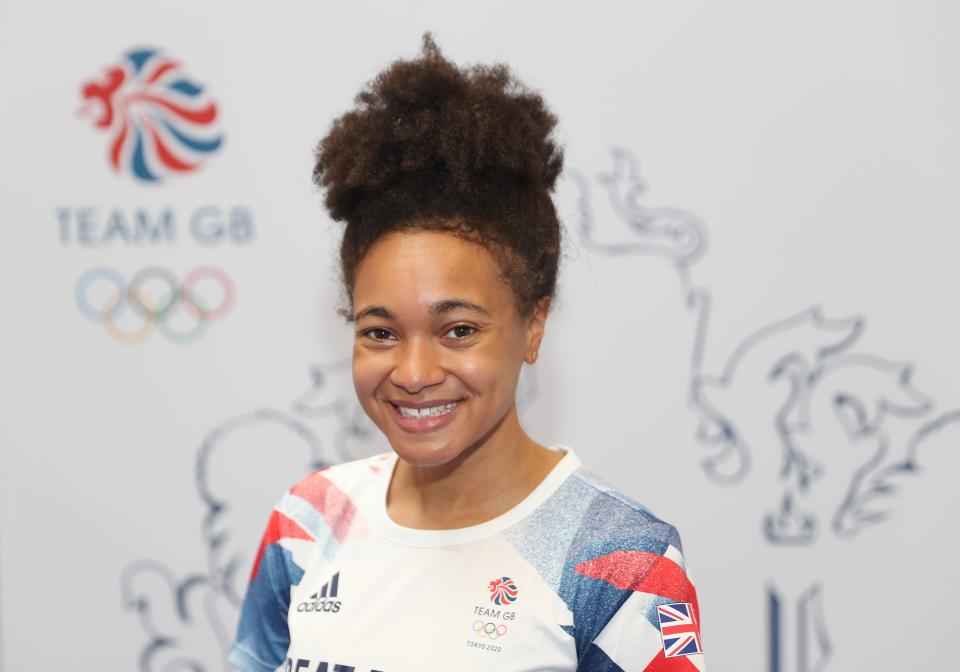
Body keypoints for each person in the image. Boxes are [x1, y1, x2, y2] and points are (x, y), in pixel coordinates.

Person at [228, 34, 705, 672]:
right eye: (380, 332)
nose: (415, 374)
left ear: (533, 323)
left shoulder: (619, 562)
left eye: (458, 331)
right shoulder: (310, 521)